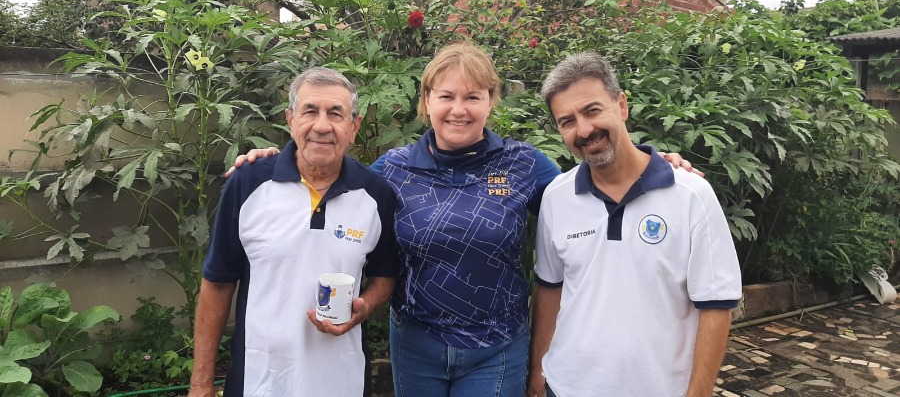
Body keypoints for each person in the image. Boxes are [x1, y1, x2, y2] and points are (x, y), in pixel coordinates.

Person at [228, 43, 701, 397]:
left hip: (497, 347)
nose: (458, 109)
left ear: (491, 102)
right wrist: (273, 159)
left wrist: (652, 164)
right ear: (426, 101)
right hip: (416, 342)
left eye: (473, 97)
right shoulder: (392, 170)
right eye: (446, 96)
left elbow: (588, 195)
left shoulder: (524, 165)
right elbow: (333, 187)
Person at [527, 52, 742, 397]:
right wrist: (538, 369)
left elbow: (716, 306)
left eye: (592, 110)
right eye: (567, 121)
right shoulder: (556, 196)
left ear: (622, 105)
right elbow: (550, 288)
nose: (584, 130)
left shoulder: (691, 195)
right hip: (566, 386)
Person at [188, 67, 398, 397]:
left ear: (354, 127)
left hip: (341, 380)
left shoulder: (376, 194)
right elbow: (217, 283)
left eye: (335, 114)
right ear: (290, 120)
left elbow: (386, 276)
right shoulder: (249, 183)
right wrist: (201, 384)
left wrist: (364, 306)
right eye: (310, 111)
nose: (322, 126)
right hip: (259, 380)